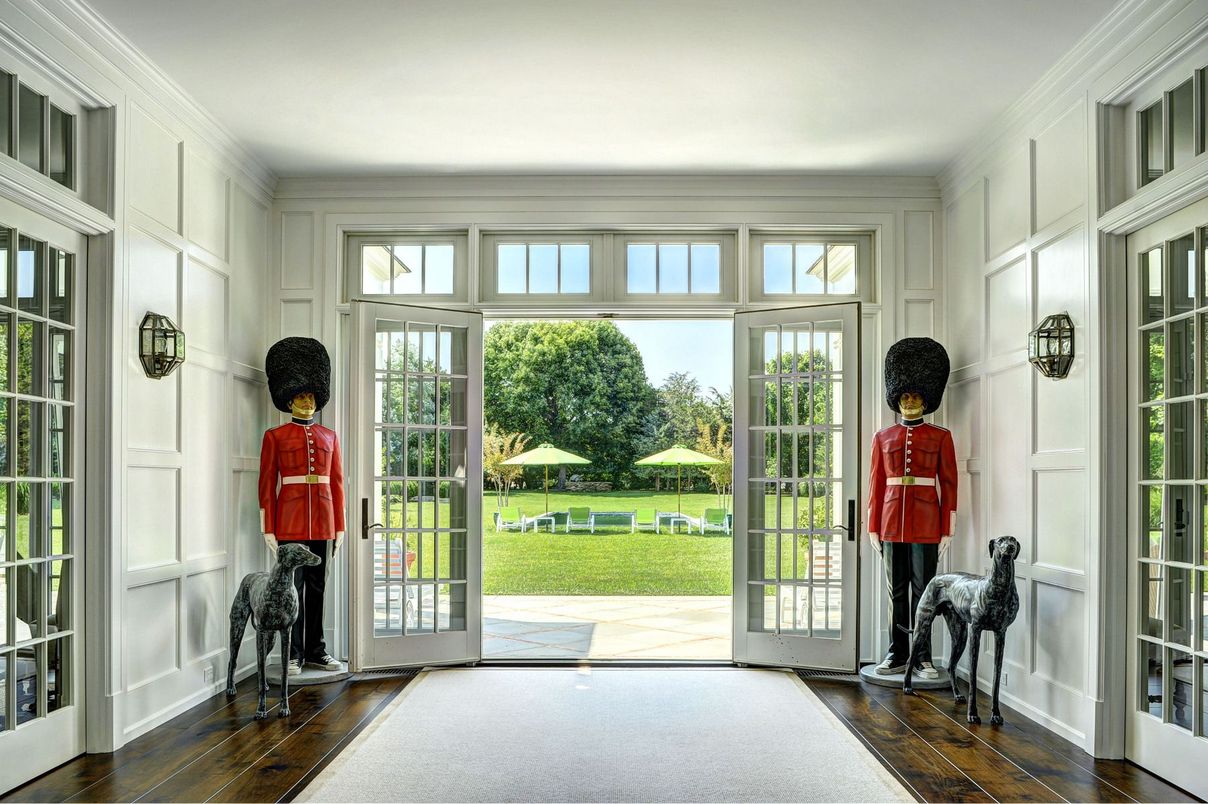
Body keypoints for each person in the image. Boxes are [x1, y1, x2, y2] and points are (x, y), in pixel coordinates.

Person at [866, 337, 957, 678]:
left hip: (927, 522)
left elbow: (949, 484)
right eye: (905, 395)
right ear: (897, 398)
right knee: (896, 593)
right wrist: (872, 526)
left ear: (926, 399)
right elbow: (876, 484)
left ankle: (922, 656)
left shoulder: (940, 436)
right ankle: (897, 653)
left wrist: (947, 529)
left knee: (924, 593)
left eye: (916, 395)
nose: (910, 400)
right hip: (890, 522)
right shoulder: (883, 437)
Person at [259, 337, 345, 675]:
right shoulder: (275, 437)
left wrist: (340, 525)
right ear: (289, 399)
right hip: (289, 520)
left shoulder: (329, 436)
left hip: (324, 521)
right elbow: (267, 484)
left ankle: (316, 650)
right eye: (300, 396)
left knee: (318, 588)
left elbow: (336, 483)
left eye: (310, 396)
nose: (307, 401)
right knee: (292, 590)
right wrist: (268, 527)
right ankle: (292, 653)